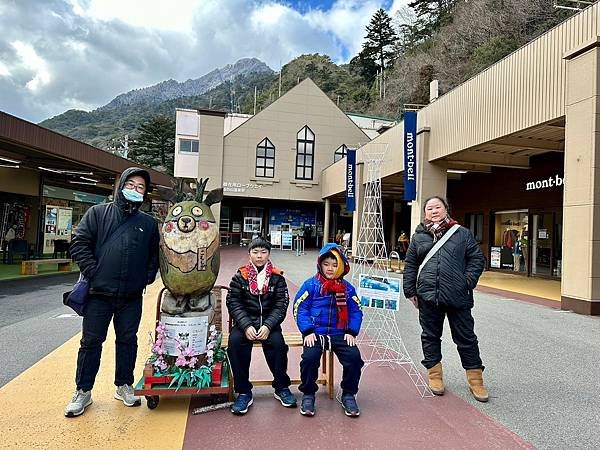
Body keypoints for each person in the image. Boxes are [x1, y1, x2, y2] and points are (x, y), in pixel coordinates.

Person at [64, 167, 159, 417]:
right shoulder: (98, 213)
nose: (136, 190)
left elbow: (154, 255)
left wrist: (147, 277)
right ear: (121, 186)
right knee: (91, 342)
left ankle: (124, 384)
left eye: (141, 187)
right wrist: (94, 272)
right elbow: (80, 243)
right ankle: (83, 391)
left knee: (128, 340)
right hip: (99, 294)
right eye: (131, 185)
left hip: (131, 296)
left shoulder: (148, 223)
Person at [403, 196, 488, 402]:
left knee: (466, 338)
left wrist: (466, 282)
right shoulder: (419, 237)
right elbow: (411, 265)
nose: (434, 211)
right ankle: (435, 376)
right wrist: (411, 291)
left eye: (437, 207)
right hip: (428, 296)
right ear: (425, 213)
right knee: (430, 336)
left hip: (458, 296)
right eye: (429, 208)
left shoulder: (461, 234)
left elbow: (477, 259)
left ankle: (476, 380)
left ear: (446, 209)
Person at [226, 237, 296, 415]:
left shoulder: (277, 277)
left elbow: (281, 305)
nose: (259, 256)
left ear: (269, 254)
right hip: (245, 325)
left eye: (263, 252)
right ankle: (243, 391)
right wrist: (247, 325)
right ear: (249, 254)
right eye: (255, 252)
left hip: (269, 325)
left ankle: (281, 387)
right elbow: (234, 303)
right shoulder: (239, 276)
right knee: (235, 344)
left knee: (279, 346)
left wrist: (267, 325)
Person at [293, 243, 364, 417]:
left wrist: (351, 331)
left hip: (340, 332)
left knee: (354, 359)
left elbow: (356, 310)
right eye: (326, 264)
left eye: (334, 264)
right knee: (309, 359)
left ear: (341, 265)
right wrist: (307, 330)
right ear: (320, 264)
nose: (330, 269)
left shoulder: (347, 288)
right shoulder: (311, 285)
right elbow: (299, 308)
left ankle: (348, 393)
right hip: (316, 332)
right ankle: (308, 394)